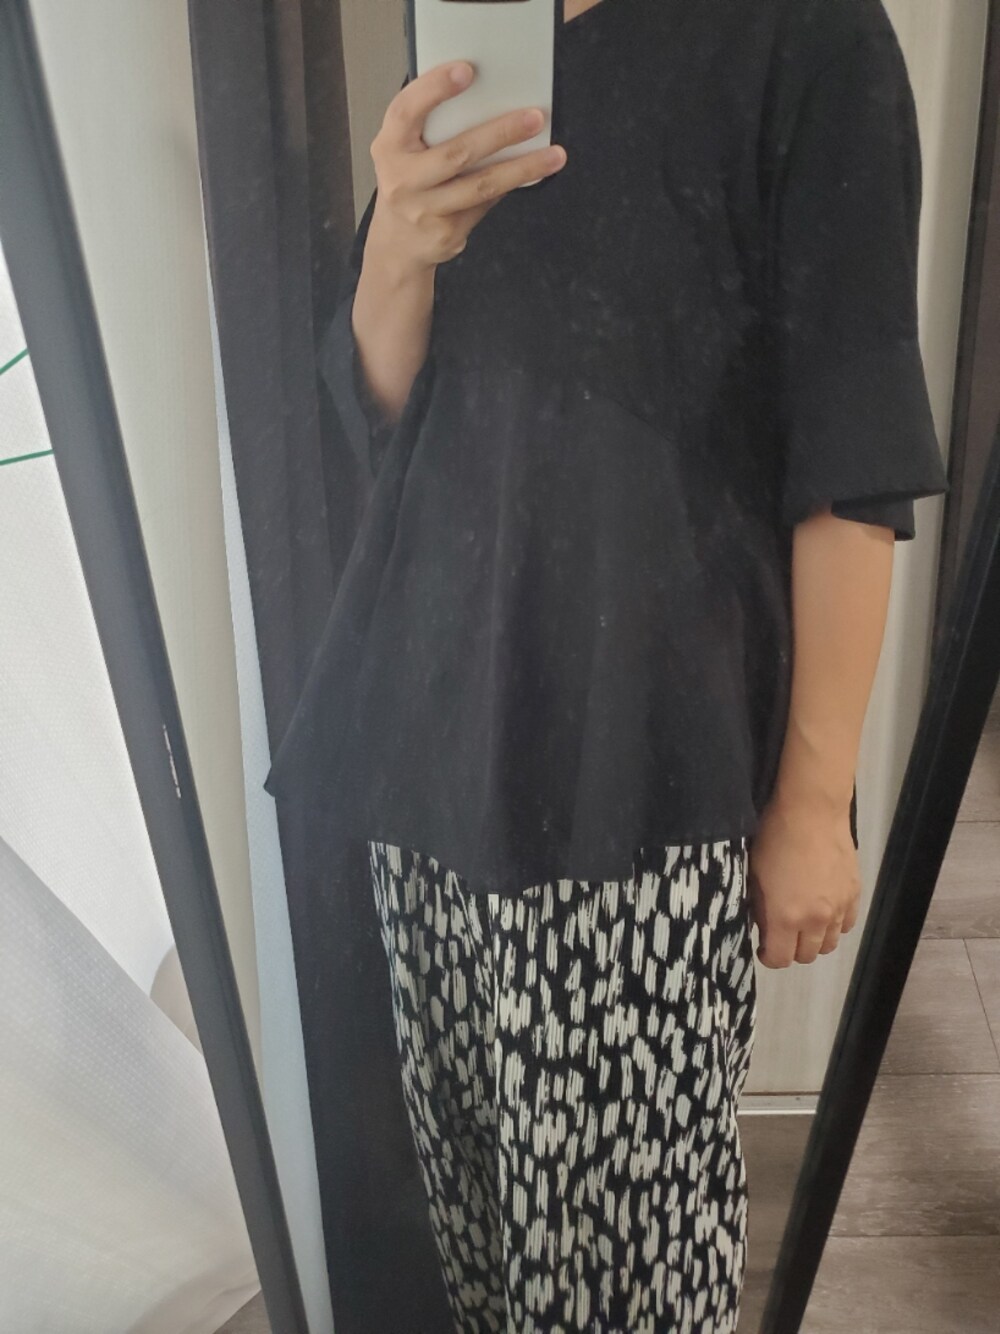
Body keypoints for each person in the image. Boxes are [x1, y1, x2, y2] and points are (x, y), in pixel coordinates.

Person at [264, 0, 949, 1328]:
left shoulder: (806, 34)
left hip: (641, 757)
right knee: (477, 1228)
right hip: (434, 730)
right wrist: (397, 246)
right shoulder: (475, 35)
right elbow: (392, 412)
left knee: (626, 1265)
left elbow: (853, 458)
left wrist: (814, 801)